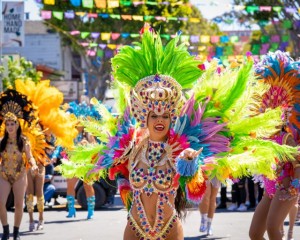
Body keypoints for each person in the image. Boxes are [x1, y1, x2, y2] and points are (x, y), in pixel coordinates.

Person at [59, 27, 297, 239]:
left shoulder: (182, 149)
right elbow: (110, 172)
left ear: (172, 117)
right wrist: (98, 164)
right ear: (145, 117)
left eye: (165, 116)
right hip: (134, 228)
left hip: (169, 229)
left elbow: (195, 192)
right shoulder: (132, 145)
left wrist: (190, 167)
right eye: (154, 115)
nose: (160, 120)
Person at [249, 51, 300, 240]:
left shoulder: (287, 138)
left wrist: (293, 189)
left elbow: (298, 164)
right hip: (269, 192)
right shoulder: (262, 139)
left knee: (272, 228)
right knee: (255, 234)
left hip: (286, 189)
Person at [0, 90, 38, 240]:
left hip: (20, 175)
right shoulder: (1, 142)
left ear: (17, 124)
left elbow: (30, 157)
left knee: (18, 203)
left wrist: (34, 165)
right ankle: (6, 230)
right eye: (7, 124)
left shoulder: (24, 141)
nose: (10, 126)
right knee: (0, 203)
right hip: (3, 174)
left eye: (13, 123)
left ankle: (16, 232)